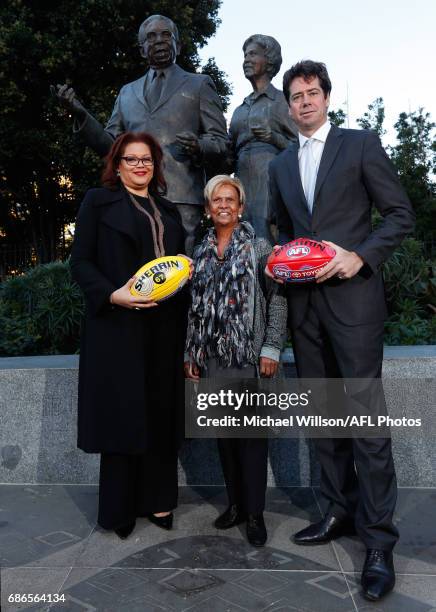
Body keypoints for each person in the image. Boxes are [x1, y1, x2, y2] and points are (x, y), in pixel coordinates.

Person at [267, 60, 415, 601]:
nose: (305, 101)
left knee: (367, 427)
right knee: (325, 420)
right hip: (306, 313)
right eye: (297, 95)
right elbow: (285, 232)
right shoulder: (283, 165)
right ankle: (337, 513)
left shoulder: (359, 144)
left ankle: (378, 542)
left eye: (313, 92)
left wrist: (361, 256)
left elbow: (400, 215)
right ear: (288, 106)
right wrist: (278, 261)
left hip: (354, 307)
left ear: (327, 98)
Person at [70, 131, 191, 540]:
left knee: (160, 411)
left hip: (164, 328)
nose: (140, 165)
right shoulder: (96, 202)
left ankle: (158, 500)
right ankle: (119, 508)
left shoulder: (168, 209)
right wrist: (111, 294)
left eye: (147, 160)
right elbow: (80, 262)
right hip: (118, 327)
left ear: (155, 166)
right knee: (123, 415)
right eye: (131, 159)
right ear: (117, 164)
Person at [54, 14, 228, 254]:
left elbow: (221, 142)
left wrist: (199, 146)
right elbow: (110, 146)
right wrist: (82, 115)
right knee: (141, 274)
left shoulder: (199, 84)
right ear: (142, 49)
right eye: (151, 36)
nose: (159, 40)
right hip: (135, 196)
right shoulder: (127, 93)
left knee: (183, 272)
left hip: (181, 196)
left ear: (178, 43)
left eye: (166, 35)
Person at [184, 175, 287, 546]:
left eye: (230, 199)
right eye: (216, 200)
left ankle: (255, 513)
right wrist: (191, 353)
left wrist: (271, 347)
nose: (223, 205)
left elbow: (277, 298)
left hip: (249, 358)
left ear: (241, 207)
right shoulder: (199, 251)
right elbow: (194, 309)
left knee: (251, 439)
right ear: (209, 209)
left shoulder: (259, 247)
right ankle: (236, 506)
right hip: (213, 358)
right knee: (225, 438)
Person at [229, 34, 295, 243]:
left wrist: (273, 137)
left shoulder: (282, 101)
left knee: (265, 236)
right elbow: (228, 154)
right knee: (240, 235)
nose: (246, 60)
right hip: (240, 180)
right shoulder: (240, 109)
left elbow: (303, 148)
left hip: (269, 180)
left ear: (270, 61)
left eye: (253, 54)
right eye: (245, 55)